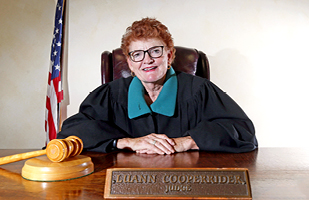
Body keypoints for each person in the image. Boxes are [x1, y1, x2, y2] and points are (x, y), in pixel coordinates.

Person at [57, 17, 258, 154]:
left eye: (155, 51)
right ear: (129, 63)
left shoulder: (199, 90)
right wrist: (127, 142)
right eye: (137, 54)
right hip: (126, 184)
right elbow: (72, 131)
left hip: (187, 184)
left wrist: (187, 141)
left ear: (169, 55)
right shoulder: (111, 95)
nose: (147, 60)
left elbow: (242, 130)